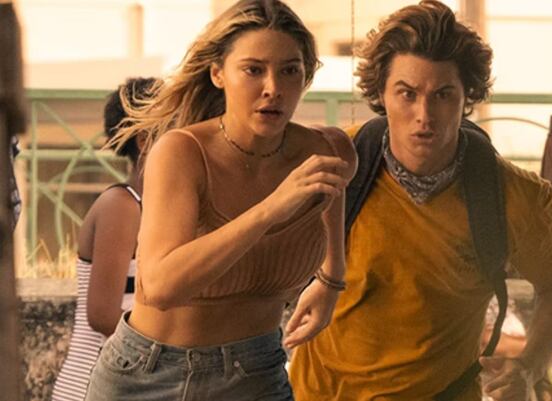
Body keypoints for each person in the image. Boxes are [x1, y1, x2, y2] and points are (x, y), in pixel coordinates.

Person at [288, 1, 552, 401]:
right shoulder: (335, 164)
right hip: (318, 393)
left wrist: (528, 366)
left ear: (467, 96)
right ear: (381, 93)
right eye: (407, 93)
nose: (424, 114)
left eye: (443, 95)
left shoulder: (514, 195)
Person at [85, 1, 356, 400]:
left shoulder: (329, 151)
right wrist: (270, 209)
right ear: (218, 73)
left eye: (290, 70)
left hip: (257, 375)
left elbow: (331, 201)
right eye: (253, 70)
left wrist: (332, 281)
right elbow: (159, 287)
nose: (273, 88)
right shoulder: (181, 152)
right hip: (150, 377)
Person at [52, 77, 158, 401]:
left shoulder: (155, 209)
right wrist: (172, 348)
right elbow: (102, 314)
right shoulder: (122, 206)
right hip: (93, 386)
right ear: (145, 140)